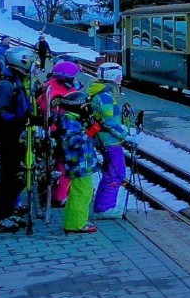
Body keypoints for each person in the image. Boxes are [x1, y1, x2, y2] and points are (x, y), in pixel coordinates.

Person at [0, 48, 34, 233]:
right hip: (8, 137)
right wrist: (20, 119)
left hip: (15, 135)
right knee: (9, 176)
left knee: (18, 176)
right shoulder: (5, 84)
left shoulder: (14, 80)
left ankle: (6, 211)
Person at [89, 68, 129, 220]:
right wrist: (126, 135)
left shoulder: (100, 92)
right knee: (116, 173)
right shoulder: (105, 96)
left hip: (105, 139)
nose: (121, 79)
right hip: (110, 141)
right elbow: (109, 121)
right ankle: (104, 208)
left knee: (111, 172)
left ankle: (103, 206)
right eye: (119, 76)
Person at [55, 91, 97, 234]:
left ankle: (71, 222)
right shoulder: (70, 121)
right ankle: (79, 224)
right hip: (79, 163)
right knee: (83, 193)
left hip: (79, 163)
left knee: (76, 193)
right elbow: (73, 142)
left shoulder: (71, 118)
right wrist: (90, 132)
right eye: (85, 106)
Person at [42, 61, 81, 208]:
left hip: (58, 131)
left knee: (61, 164)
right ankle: (61, 196)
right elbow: (54, 114)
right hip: (59, 132)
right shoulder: (56, 94)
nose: (75, 81)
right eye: (74, 78)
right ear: (66, 78)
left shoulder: (52, 87)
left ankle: (59, 193)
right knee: (65, 164)